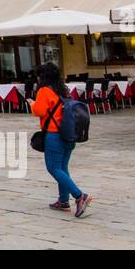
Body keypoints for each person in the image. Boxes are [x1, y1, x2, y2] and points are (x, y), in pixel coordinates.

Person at [31, 63, 91, 218]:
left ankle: (79, 196)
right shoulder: (63, 90)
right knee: (63, 167)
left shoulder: (44, 91)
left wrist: (32, 104)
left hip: (54, 134)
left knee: (53, 168)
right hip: (68, 133)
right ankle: (63, 200)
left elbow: (39, 111)